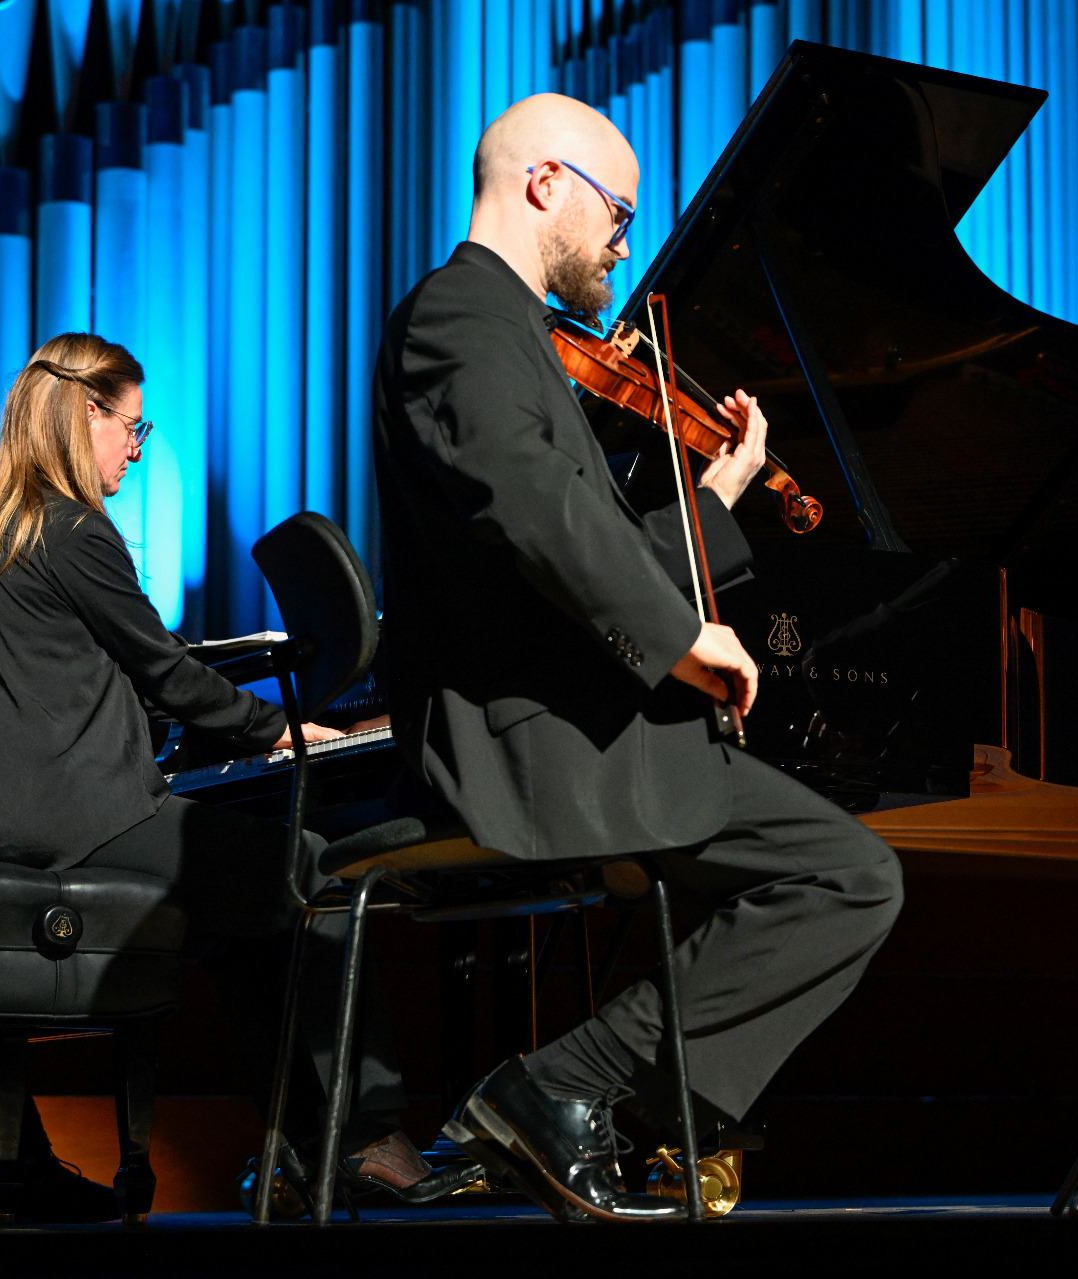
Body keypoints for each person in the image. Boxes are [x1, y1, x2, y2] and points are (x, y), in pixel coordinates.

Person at [374, 94, 904, 1223]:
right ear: (542, 183)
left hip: (575, 719)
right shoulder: (460, 316)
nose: (624, 242)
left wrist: (716, 491)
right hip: (526, 736)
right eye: (617, 214)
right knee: (844, 873)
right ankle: (564, 1089)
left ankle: (584, 1103)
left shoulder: (507, 331)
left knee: (845, 871)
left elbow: (590, 532)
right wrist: (674, 637)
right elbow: (531, 509)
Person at [0, 333, 478, 1215]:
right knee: (310, 871)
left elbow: (72, 683)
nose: (136, 452)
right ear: (86, 414)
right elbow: (169, 674)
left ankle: (296, 1152)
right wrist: (287, 730)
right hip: (83, 826)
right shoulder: (75, 532)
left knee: (243, 917)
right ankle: (366, 1138)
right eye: (132, 429)